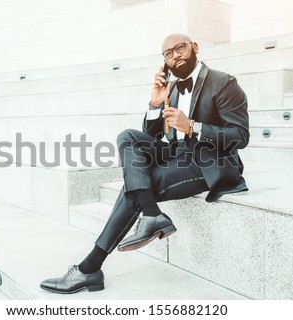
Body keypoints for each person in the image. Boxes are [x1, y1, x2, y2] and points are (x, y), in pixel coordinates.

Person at [40, 33, 250, 294]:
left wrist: (192, 126)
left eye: (180, 48)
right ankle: (151, 214)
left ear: (195, 47)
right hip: (176, 155)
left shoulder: (223, 82)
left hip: (209, 162)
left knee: (137, 186)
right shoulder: (170, 88)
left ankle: (90, 267)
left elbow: (240, 136)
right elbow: (151, 137)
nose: (175, 56)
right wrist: (154, 103)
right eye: (168, 53)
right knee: (128, 137)